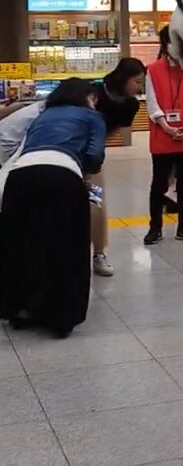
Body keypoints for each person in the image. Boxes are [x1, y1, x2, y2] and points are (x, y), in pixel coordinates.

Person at [0, 78, 106, 338]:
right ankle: (60, 315)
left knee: (24, 243)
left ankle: (22, 308)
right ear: (86, 98)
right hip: (62, 176)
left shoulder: (43, 114)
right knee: (66, 246)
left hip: (20, 178)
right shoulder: (92, 117)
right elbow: (94, 156)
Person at [144, 25, 183, 245]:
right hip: (163, 135)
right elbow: (152, 103)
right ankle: (155, 227)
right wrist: (166, 125)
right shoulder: (153, 69)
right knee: (159, 183)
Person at [90, 57, 146, 277]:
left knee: (96, 201)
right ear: (122, 78)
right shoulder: (94, 93)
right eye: (137, 82)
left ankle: (99, 254)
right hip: (71, 153)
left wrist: (96, 151)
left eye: (142, 83)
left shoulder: (130, 105)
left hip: (93, 161)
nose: (140, 87)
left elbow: (112, 132)